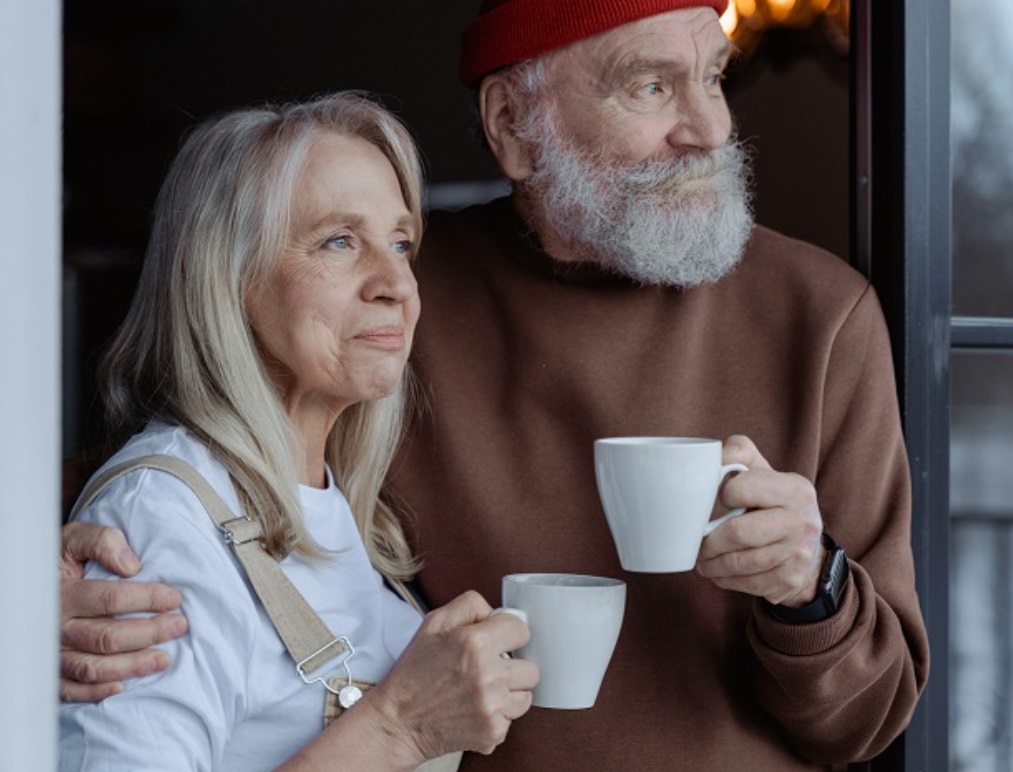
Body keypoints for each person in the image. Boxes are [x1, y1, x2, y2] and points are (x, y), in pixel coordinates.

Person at [59, 1, 931, 770]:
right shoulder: (393, 301)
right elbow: (189, 466)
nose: (708, 128)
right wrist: (35, 583)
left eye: (712, 77)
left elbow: (868, 722)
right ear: (514, 122)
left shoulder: (820, 316)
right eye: (652, 87)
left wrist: (809, 588)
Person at [58, 90, 537, 771]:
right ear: (227, 276)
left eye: (400, 243)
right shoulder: (161, 526)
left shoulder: (333, 503)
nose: (396, 282)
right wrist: (398, 729)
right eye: (339, 241)